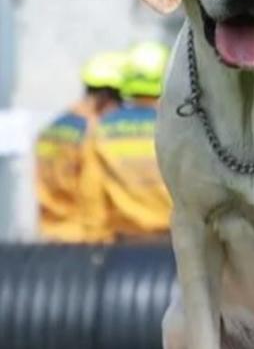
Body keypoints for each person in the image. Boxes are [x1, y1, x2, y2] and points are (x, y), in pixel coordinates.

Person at [82, 41, 172, 242]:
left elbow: (92, 193)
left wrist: (95, 243)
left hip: (125, 246)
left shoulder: (101, 128)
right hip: (179, 243)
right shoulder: (184, 126)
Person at [34, 51, 125, 242]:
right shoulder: (92, 134)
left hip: (51, 235)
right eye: (120, 103)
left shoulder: (51, 130)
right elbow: (91, 192)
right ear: (105, 98)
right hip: (84, 240)